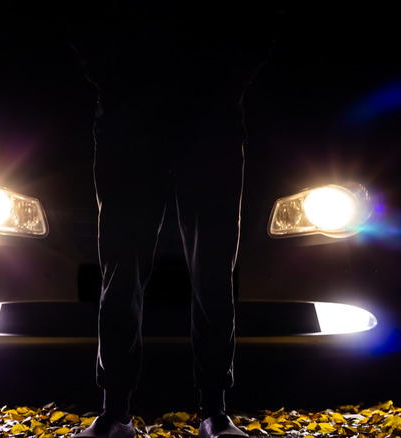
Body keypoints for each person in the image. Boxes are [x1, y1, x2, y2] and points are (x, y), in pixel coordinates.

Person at [68, 6, 279, 438]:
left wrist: (231, 78)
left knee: (210, 270)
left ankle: (207, 410)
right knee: (125, 270)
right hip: (142, 114)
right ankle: (123, 410)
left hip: (201, 116)